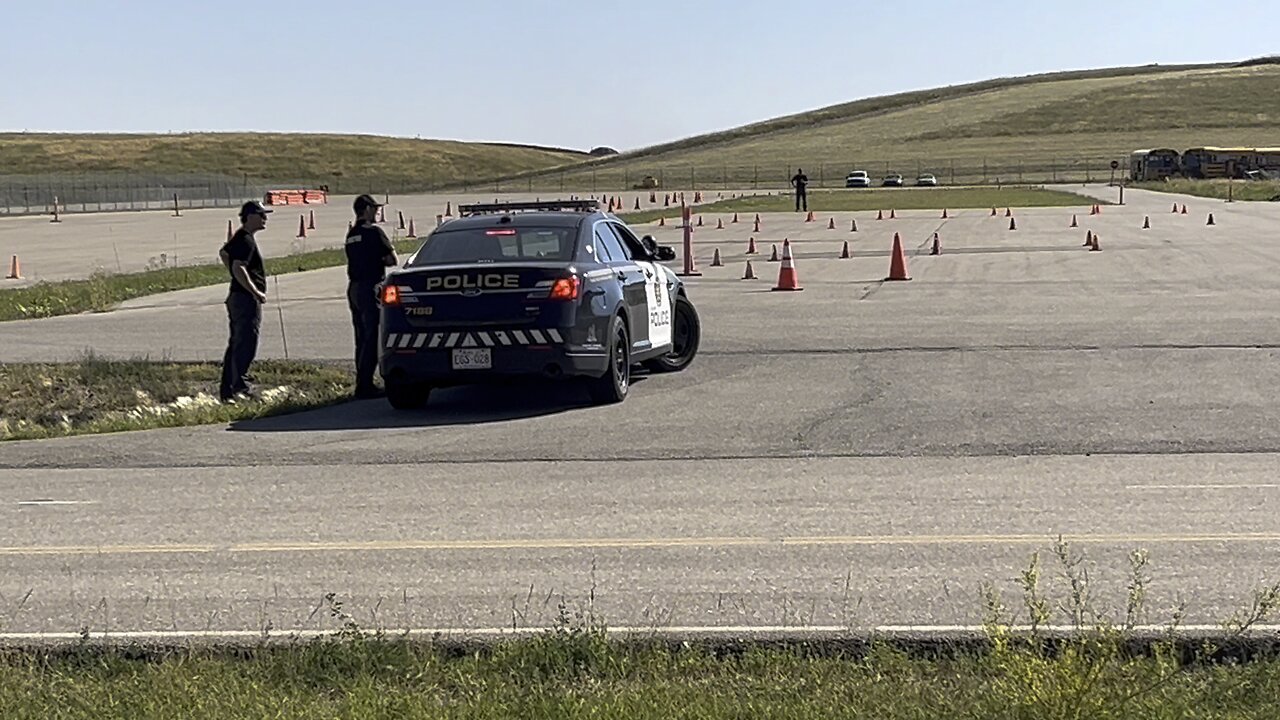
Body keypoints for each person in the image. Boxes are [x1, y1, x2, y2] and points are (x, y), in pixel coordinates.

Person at [345, 194, 398, 399]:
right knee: (374, 335)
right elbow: (391, 259)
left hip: (354, 288)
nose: (377, 212)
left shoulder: (351, 234)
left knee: (361, 337)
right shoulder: (374, 232)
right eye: (374, 209)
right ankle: (366, 385)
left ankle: (362, 380)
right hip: (371, 287)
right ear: (366, 209)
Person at [219, 200, 271, 402]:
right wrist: (255, 291)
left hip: (238, 297)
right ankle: (240, 386)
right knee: (246, 343)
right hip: (245, 299)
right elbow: (239, 267)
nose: (265, 218)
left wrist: (234, 273)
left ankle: (228, 390)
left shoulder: (241, 238)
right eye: (261, 214)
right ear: (250, 217)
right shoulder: (246, 240)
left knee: (237, 343)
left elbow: (224, 253)